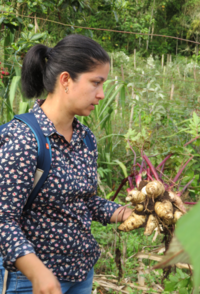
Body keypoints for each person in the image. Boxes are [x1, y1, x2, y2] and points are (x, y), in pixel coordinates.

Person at [0, 34, 132, 294]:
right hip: (31, 281)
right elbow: (4, 219)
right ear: (65, 81)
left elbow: (86, 201)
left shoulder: (86, 138)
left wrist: (127, 213)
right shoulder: (25, 139)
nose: (102, 94)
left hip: (81, 273)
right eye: (96, 83)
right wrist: (37, 272)